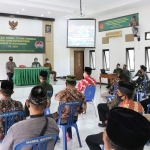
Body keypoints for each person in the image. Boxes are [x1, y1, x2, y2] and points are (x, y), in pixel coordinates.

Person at [1, 86, 59, 150]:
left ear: (27, 103)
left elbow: (5, 148)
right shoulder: (53, 124)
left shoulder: (15, 129)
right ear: (47, 104)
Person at [47, 75, 86, 141]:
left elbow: (55, 97)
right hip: (74, 119)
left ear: (66, 83)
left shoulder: (63, 92)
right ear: (75, 83)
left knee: (47, 118)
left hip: (63, 119)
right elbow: (83, 108)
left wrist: (65, 89)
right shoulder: (81, 94)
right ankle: (68, 134)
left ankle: (55, 136)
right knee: (67, 113)